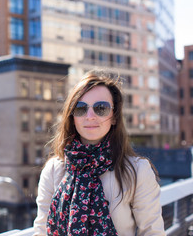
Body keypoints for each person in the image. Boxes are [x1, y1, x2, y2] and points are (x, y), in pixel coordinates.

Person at [33, 70, 165, 235]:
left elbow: (152, 232)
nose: (90, 116)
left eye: (101, 108)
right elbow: (41, 231)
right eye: (80, 108)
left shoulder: (138, 171)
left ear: (114, 116)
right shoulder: (53, 170)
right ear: (72, 116)